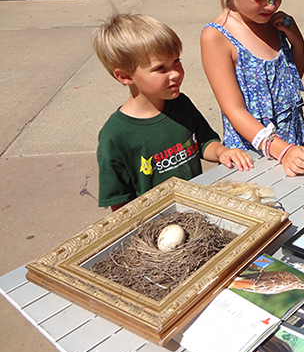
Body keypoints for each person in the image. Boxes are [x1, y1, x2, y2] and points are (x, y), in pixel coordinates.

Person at [95, 13, 253, 212]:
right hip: (155, 225)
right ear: (125, 76)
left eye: (176, 61)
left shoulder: (180, 103)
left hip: (196, 210)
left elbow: (204, 143)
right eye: (161, 68)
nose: (176, 73)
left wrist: (222, 152)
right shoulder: (115, 135)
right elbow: (119, 199)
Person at [201, 0, 304, 177]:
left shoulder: (274, 24)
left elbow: (291, 82)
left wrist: (297, 42)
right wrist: (281, 150)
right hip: (253, 157)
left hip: (290, 146)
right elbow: (235, 110)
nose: (271, 5)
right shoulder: (217, 37)